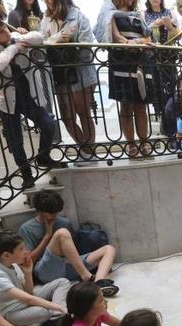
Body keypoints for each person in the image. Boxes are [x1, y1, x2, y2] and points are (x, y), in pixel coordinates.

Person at [0, 13, 58, 188]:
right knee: (16, 141)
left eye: (5, 28)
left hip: (27, 94)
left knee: (48, 123)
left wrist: (18, 37)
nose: (5, 32)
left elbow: (38, 37)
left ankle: (43, 156)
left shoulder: (14, 36)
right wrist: (13, 49)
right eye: (0, 32)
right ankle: (26, 174)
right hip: (6, 99)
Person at [18, 189, 119, 292]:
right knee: (62, 233)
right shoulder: (27, 228)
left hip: (69, 266)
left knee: (109, 249)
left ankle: (98, 283)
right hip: (45, 270)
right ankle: (86, 276)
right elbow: (27, 260)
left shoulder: (64, 222)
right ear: (39, 211)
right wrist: (47, 236)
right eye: (50, 213)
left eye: (56, 212)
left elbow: (73, 250)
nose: (54, 216)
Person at [41, 0, 99, 162]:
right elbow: (40, 45)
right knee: (67, 117)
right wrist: (58, 39)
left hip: (80, 72)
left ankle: (88, 152)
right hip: (58, 73)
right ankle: (86, 149)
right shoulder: (46, 19)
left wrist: (70, 45)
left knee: (83, 112)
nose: (46, 2)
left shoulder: (79, 17)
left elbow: (87, 48)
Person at [102, 0, 156, 156]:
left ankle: (144, 144)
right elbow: (116, 37)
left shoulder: (139, 15)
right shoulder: (110, 14)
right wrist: (131, 43)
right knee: (125, 104)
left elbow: (148, 39)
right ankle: (131, 145)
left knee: (141, 104)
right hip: (121, 62)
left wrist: (136, 42)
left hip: (140, 61)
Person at [0, 231, 71, 326]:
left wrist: (28, 273)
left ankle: (56, 316)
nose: (26, 252)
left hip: (23, 302)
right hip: (10, 312)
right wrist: (60, 307)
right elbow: (27, 298)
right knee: (43, 311)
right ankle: (57, 314)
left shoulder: (12, 263)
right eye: (21, 249)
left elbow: (29, 292)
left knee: (62, 282)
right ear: (6, 255)